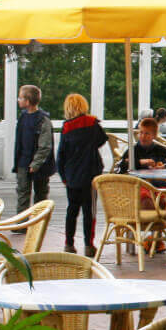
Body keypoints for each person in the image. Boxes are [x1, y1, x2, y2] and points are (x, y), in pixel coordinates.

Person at [55, 93, 105, 256]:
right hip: (90, 175)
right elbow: (102, 139)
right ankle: (88, 245)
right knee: (89, 211)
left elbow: (61, 154)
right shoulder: (92, 123)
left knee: (72, 210)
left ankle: (69, 244)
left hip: (72, 176)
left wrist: (64, 176)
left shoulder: (66, 127)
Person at [11, 85, 54, 216]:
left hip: (40, 165)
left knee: (40, 194)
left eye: (20, 98)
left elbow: (45, 145)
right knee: (22, 192)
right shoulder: (23, 117)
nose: (18, 100)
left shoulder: (43, 119)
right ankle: (21, 224)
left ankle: (38, 223)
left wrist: (36, 163)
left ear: (27, 101)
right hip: (23, 161)